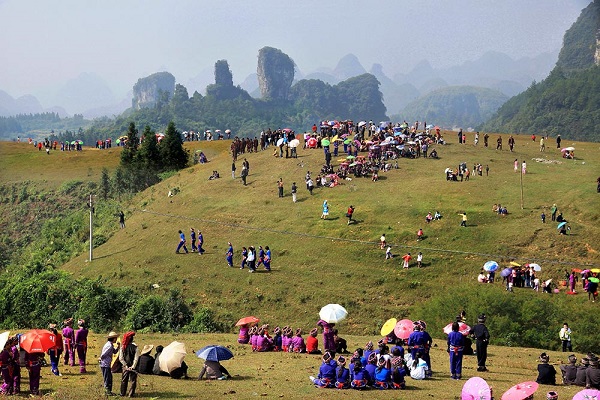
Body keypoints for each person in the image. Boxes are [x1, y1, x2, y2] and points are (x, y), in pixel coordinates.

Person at [119, 331, 139, 397]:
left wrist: (125, 365)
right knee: (133, 381)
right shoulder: (135, 347)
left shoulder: (122, 347)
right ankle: (131, 394)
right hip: (133, 367)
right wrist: (132, 367)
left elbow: (121, 358)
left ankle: (122, 393)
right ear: (132, 339)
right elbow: (136, 359)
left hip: (125, 367)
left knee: (124, 380)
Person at [100, 331, 119, 396]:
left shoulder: (110, 344)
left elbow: (115, 352)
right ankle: (107, 392)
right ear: (113, 338)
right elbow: (103, 355)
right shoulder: (109, 346)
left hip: (107, 364)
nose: (116, 339)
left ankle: (109, 391)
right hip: (105, 364)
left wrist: (118, 347)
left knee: (109, 378)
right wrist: (101, 359)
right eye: (116, 338)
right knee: (107, 378)